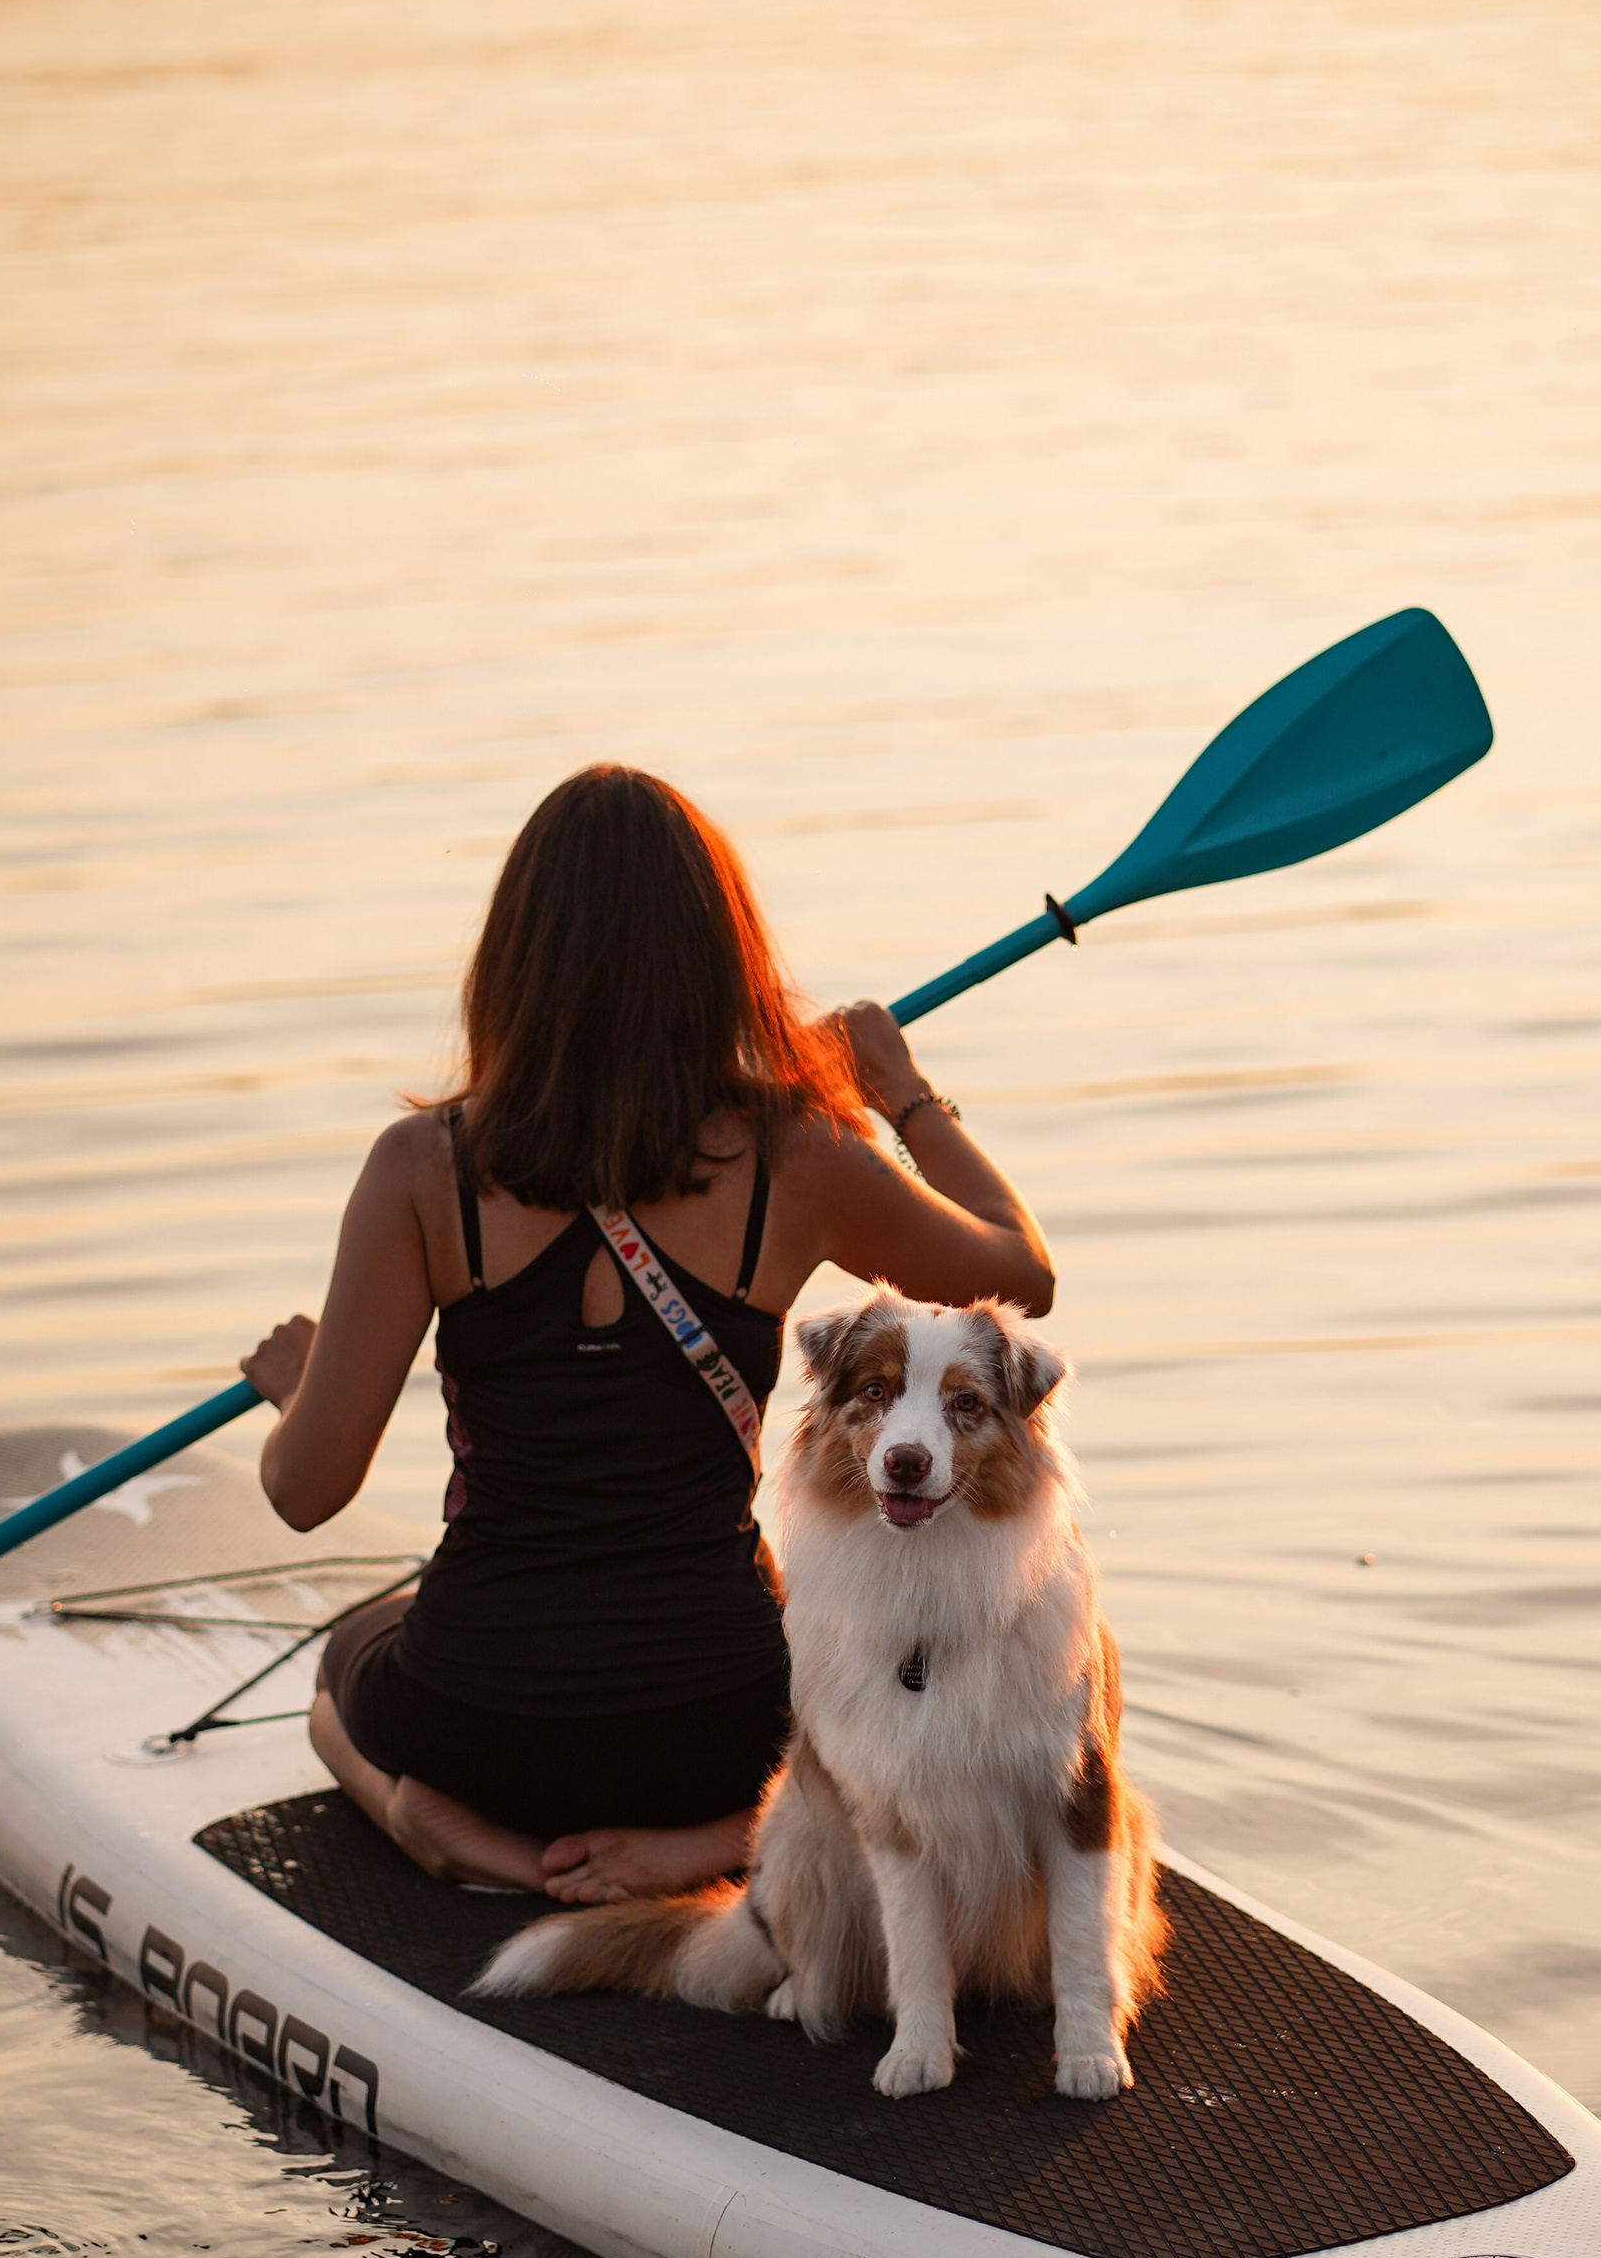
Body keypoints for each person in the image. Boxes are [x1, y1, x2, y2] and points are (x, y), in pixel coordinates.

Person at [240, 764, 1052, 1908]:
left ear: (514, 960)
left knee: (339, 1685)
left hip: (483, 1724)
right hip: (713, 1727)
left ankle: (447, 1833)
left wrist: (300, 1386)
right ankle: (717, 1836)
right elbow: (1023, 1272)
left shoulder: (422, 1171)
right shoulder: (800, 1155)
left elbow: (304, 1490)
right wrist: (900, 1089)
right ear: (721, 959)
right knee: (821, 1676)